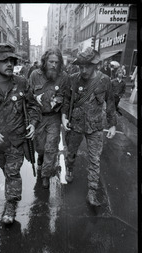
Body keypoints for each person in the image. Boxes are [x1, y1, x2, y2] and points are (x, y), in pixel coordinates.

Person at [0, 44, 41, 225]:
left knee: (13, 172)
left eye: (11, 60)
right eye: (5, 60)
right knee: (5, 169)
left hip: (17, 139)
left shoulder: (21, 83)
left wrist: (33, 124)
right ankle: (11, 192)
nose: (9, 64)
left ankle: (10, 206)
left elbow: (33, 106)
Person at [62, 47, 117, 206]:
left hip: (96, 126)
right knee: (71, 152)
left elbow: (110, 102)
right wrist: (64, 118)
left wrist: (112, 125)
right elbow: (66, 100)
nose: (83, 70)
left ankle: (92, 192)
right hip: (76, 125)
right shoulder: (73, 79)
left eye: (87, 66)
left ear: (96, 65)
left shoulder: (104, 80)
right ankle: (70, 169)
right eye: (81, 66)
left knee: (95, 159)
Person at [29, 47, 69, 189]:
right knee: (40, 147)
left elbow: (66, 97)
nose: (53, 65)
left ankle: (45, 175)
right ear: (45, 61)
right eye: (51, 61)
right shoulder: (35, 75)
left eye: (56, 62)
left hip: (54, 117)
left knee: (51, 146)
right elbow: (28, 95)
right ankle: (40, 157)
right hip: (38, 117)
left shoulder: (63, 76)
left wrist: (62, 110)